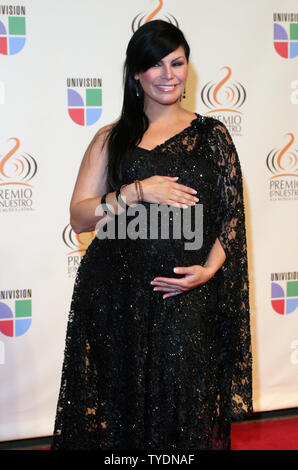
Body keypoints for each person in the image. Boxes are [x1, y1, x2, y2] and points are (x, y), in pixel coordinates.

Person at [51, 20, 252, 451]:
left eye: (177, 63)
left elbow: (231, 218)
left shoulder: (211, 136)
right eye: (154, 64)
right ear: (136, 73)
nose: (168, 74)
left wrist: (207, 271)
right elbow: (80, 216)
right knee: (123, 411)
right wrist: (138, 190)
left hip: (185, 295)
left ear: (187, 68)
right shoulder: (111, 139)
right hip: (116, 298)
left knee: (185, 408)